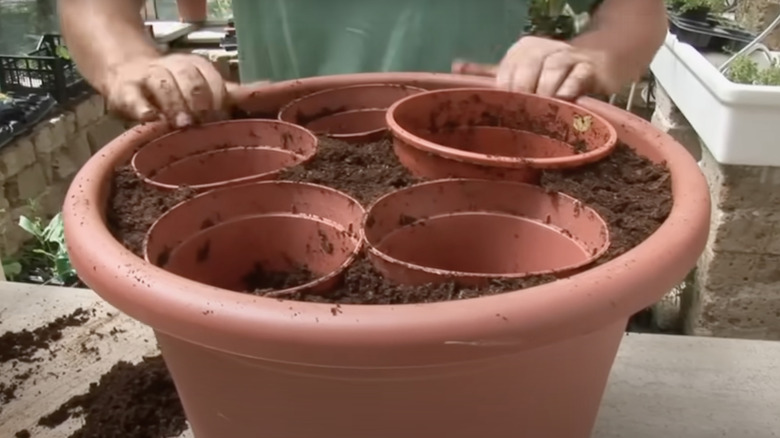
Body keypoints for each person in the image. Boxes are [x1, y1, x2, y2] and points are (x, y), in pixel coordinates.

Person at [58, 0, 667, 128]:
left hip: (487, 149)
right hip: (290, 144)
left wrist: (585, 56)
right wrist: (128, 62)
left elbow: (635, 14)